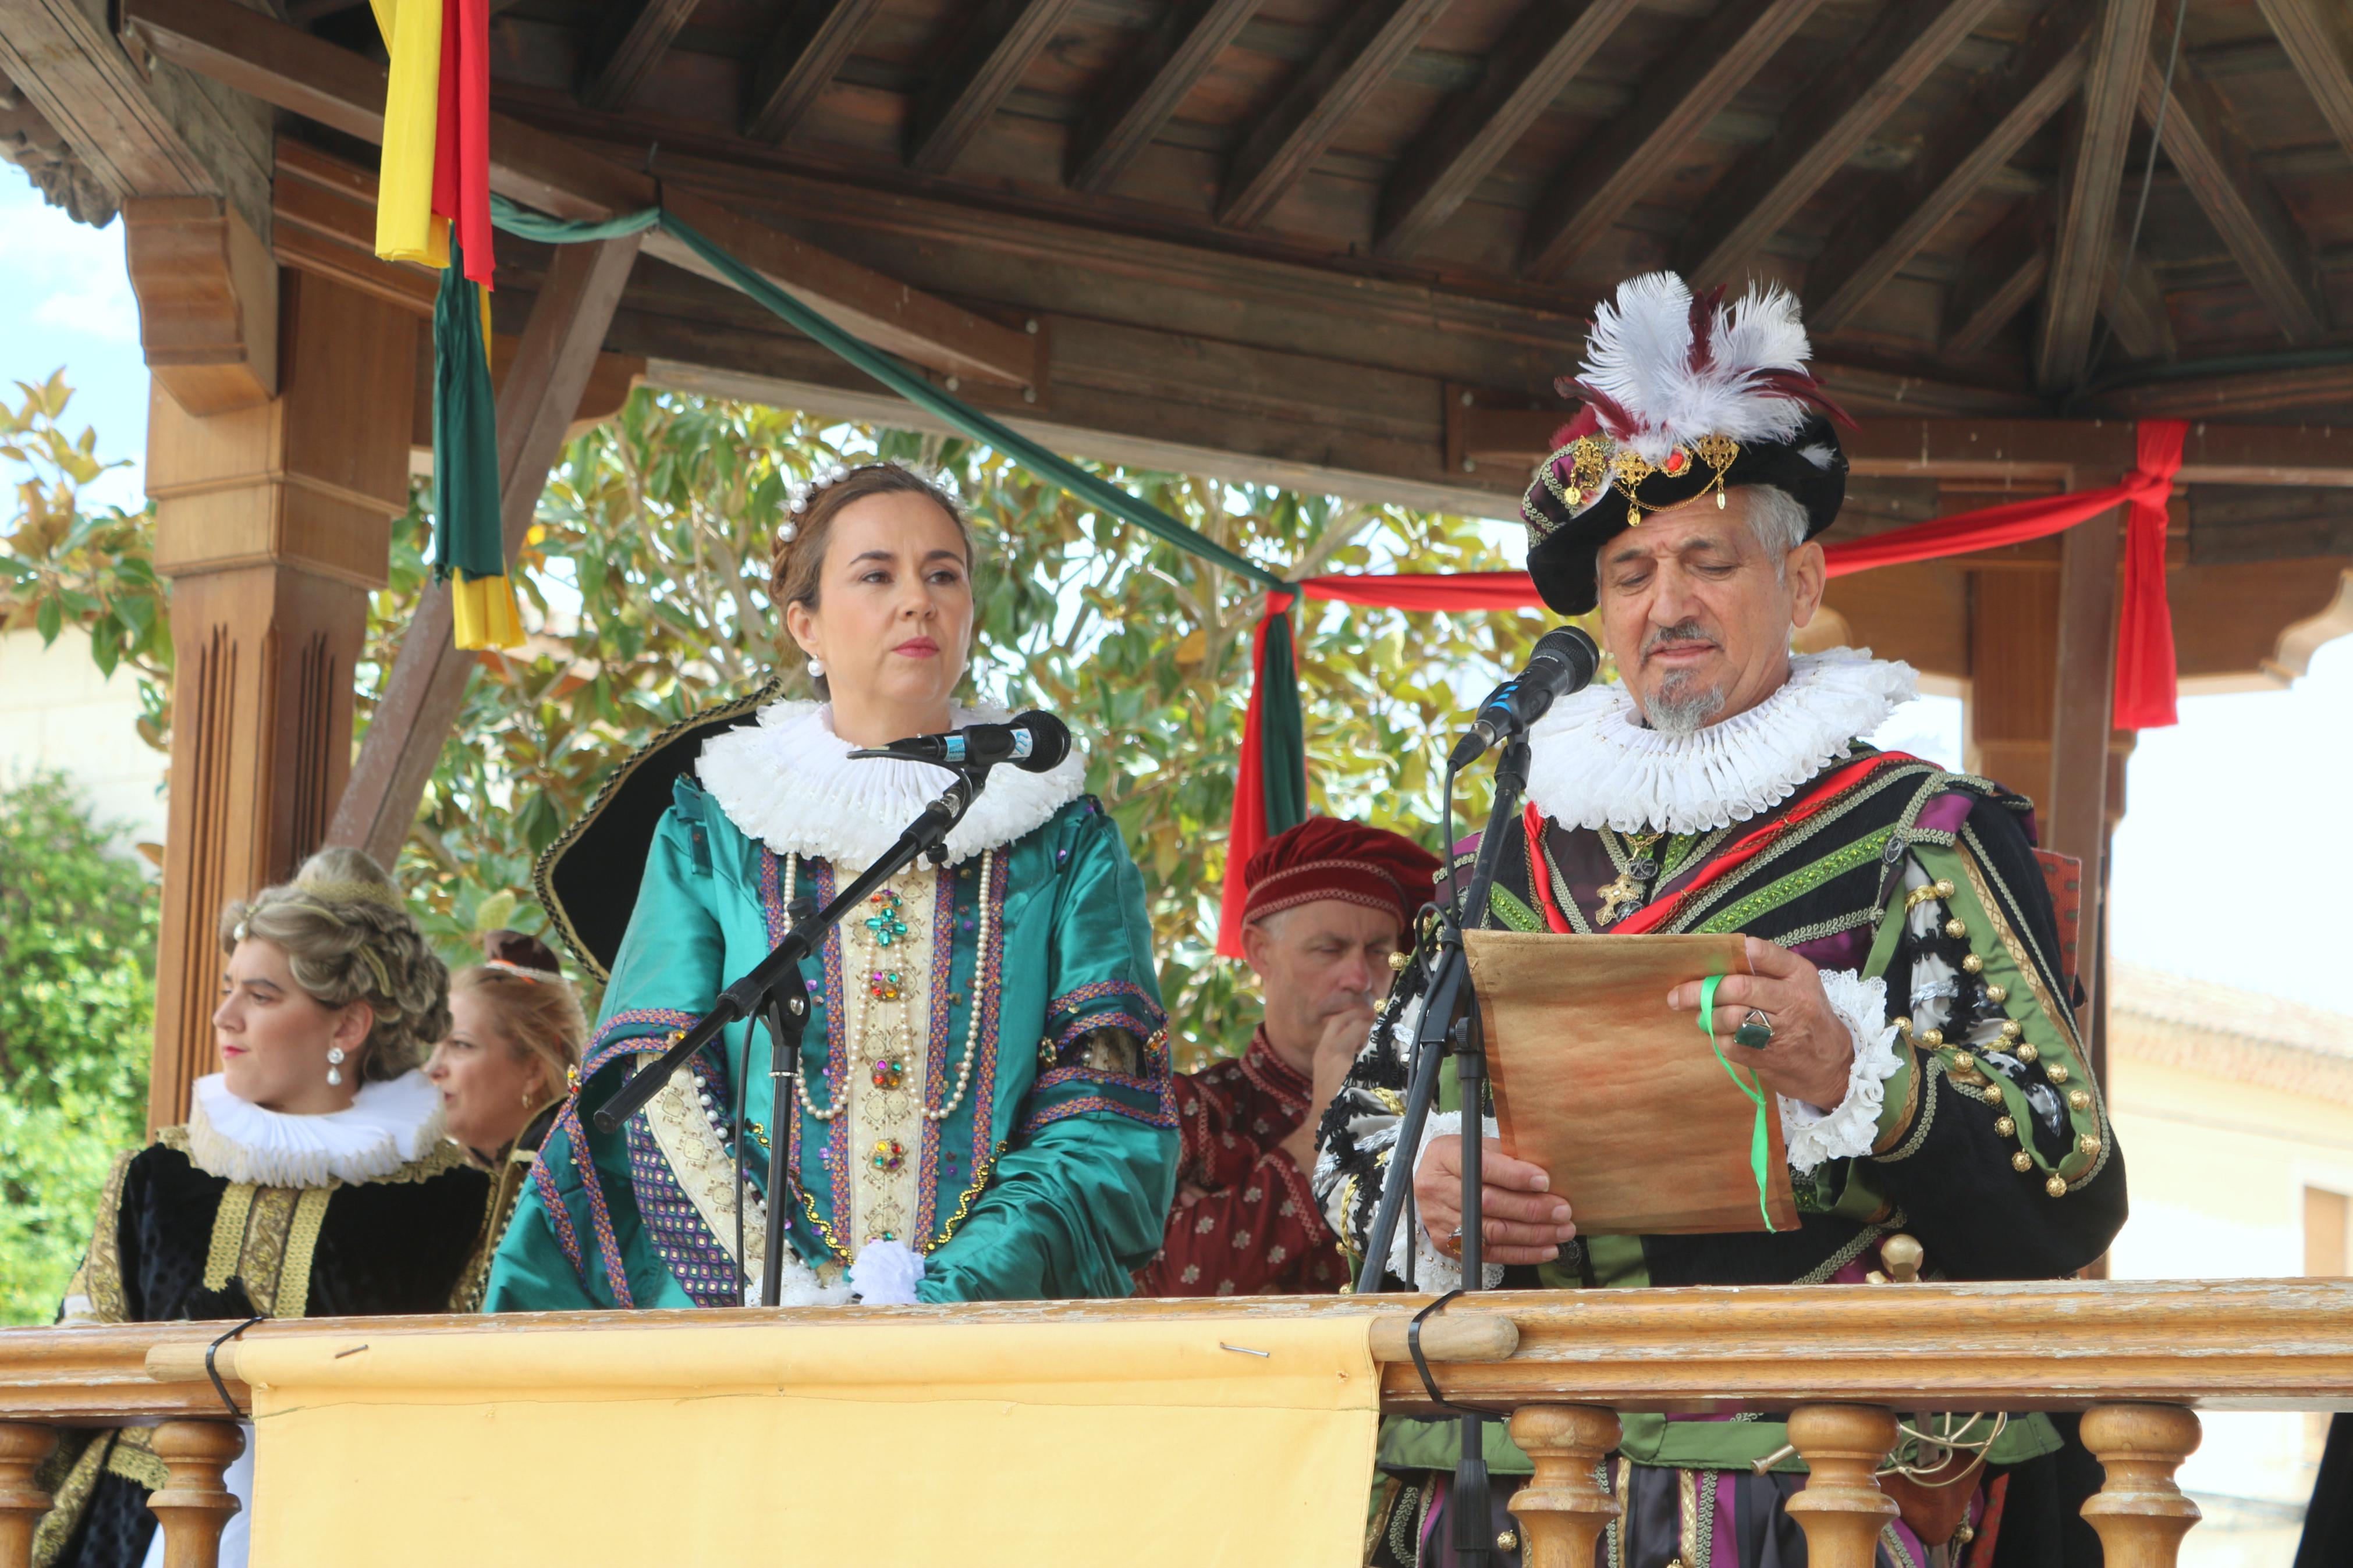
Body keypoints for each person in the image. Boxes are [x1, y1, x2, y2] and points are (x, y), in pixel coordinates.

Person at [1316, 273, 2127, 1567]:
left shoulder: (1913, 836)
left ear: (1798, 584)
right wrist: (1424, 1186)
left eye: (1705, 560)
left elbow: (2070, 1184)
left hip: (1807, 1489)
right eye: (1628, 572)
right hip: (1522, 1488)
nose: (1663, 605)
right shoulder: (1504, 848)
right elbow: (1353, 1143)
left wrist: (1856, 1071)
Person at [485, 463, 1177, 1311]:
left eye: (942, 574)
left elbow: (1102, 1090)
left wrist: (954, 1288)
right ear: (804, 624)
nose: (916, 600)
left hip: (1001, 1322)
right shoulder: (718, 825)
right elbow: (655, 1081)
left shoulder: (1060, 834)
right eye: (876, 574)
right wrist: (779, 1286)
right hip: (749, 1321)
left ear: (968, 611)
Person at [39, 848, 490, 1568]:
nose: (225, 1016)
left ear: (346, 1028)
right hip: (132, 1535)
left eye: (261, 995)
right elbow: (67, 1384)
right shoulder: (152, 1179)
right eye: (229, 988)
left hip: (345, 1535)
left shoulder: (455, 1207)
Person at [1135, 816, 1436, 1297]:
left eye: (1380, 951)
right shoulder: (1194, 1110)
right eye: (1329, 949)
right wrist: (1325, 1126)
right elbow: (1156, 1287)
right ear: (1260, 951)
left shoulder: (1437, 1110)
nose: (1359, 976)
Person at [427, 929, 587, 1307]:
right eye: (432, 1045)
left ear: (533, 1068)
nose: (433, 1067)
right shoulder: (449, 1181)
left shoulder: (570, 1182)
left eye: (460, 1045)